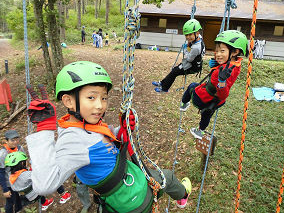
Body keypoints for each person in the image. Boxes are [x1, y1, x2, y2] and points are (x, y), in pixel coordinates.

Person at [25, 61, 192, 212]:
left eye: (103, 98)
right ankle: (182, 196)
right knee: (167, 176)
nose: (100, 105)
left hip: (118, 197)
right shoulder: (73, 141)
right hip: (131, 196)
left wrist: (121, 130)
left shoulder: (80, 124)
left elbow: (99, 139)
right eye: (91, 97)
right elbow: (44, 185)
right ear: (68, 101)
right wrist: (44, 130)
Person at [179, 30, 249, 139]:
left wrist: (222, 82)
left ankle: (184, 104)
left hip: (204, 98)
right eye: (217, 51)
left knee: (192, 86)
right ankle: (200, 131)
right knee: (207, 113)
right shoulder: (235, 63)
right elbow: (224, 69)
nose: (218, 54)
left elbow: (223, 94)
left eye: (222, 51)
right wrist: (216, 64)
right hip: (216, 102)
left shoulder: (225, 72)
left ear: (235, 51)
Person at [152, 19, 205, 93]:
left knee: (174, 72)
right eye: (186, 35)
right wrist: (190, 44)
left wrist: (186, 49)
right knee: (174, 70)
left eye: (190, 35)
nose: (188, 37)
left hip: (193, 66)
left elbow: (189, 58)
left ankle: (164, 88)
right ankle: (162, 83)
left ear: (197, 33)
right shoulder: (199, 37)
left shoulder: (196, 48)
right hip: (192, 62)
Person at [0, 130, 24, 213]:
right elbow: (1, 172)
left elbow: (24, 161)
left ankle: (18, 210)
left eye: (17, 139)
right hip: (9, 182)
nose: (15, 142)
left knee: (19, 198)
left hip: (20, 179)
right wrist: (5, 189)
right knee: (10, 202)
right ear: (6, 141)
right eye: (12, 140)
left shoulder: (20, 148)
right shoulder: (3, 154)